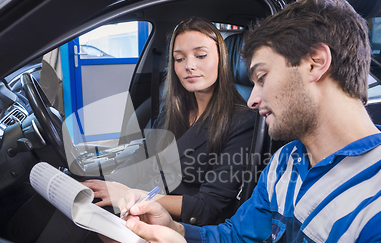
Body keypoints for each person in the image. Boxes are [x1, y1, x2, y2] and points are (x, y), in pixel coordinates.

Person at [100, 0, 381, 243]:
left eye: (261, 77)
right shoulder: (288, 161)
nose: (252, 99)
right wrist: (177, 230)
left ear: (316, 63)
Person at [83, 17, 256, 226]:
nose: (189, 66)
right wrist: (111, 183)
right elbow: (144, 153)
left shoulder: (243, 121)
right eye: (179, 58)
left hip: (181, 226)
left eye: (200, 55)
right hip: (142, 205)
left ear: (222, 59)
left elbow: (206, 207)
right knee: (81, 204)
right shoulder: (174, 108)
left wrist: (132, 195)